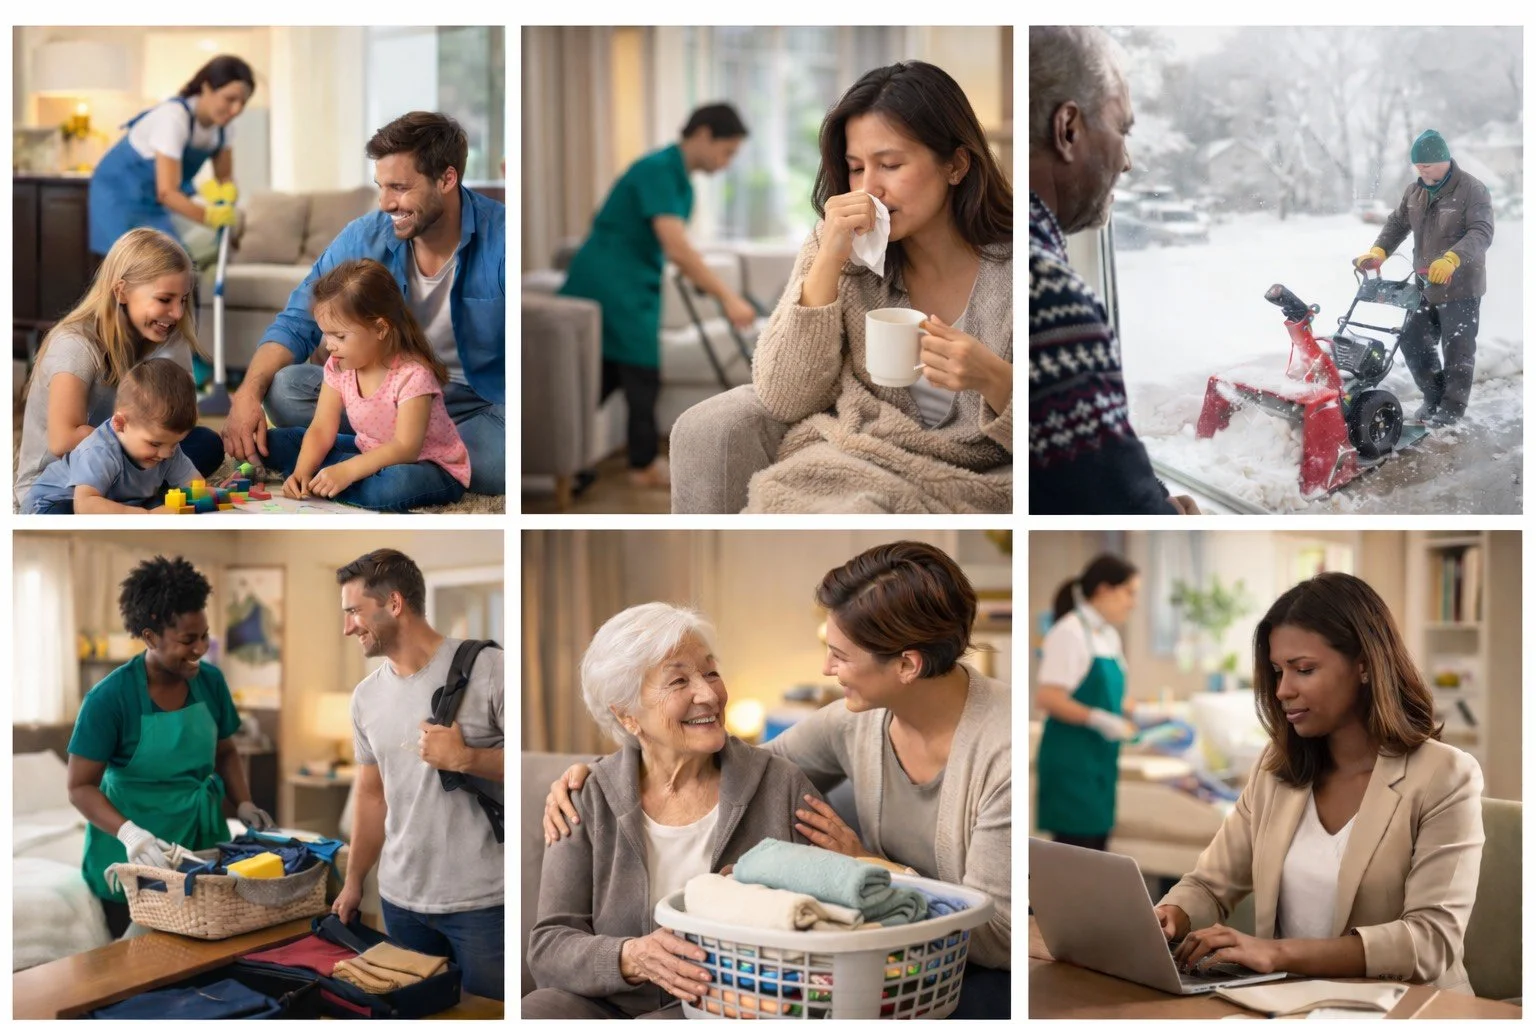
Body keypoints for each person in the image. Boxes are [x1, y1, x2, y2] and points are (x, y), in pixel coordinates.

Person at [545, 541, 1012, 1018]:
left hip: (961, 962)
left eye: (839, 654)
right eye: (680, 680)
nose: (826, 668)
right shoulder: (849, 723)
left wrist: (869, 866)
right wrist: (598, 774)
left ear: (907, 665)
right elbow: (741, 763)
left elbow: (998, 935)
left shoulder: (1002, 752)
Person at [675, 62, 1013, 513]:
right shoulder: (840, 248)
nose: (869, 188)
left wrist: (995, 379)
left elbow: (1065, 433)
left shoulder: (1022, 270)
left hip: (980, 481)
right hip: (860, 462)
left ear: (955, 165)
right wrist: (828, 261)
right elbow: (783, 397)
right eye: (855, 168)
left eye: (890, 165)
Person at [1155, 573, 1483, 993]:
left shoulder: (1446, 775)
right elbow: (1209, 885)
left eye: (1304, 669)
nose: (1282, 690)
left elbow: (1430, 940)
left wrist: (1277, 953)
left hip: (1406, 1008)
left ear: (1364, 665)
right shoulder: (1275, 769)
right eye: (1278, 671)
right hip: (1288, 1004)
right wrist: (1171, 915)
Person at [524, 603, 821, 1019]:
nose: (709, 694)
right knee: (538, 1009)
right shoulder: (587, 796)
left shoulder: (782, 785)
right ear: (627, 715)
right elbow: (549, 946)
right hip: (611, 1003)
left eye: (711, 672)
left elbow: (830, 909)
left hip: (731, 1005)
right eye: (679, 680)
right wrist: (631, 957)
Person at [222, 112, 504, 495]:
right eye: (380, 187)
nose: (385, 203)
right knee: (284, 388)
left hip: (476, 407)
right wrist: (246, 395)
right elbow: (296, 323)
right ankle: (392, 461)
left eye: (399, 187)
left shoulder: (503, 238)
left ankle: (384, 462)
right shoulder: (365, 236)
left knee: (506, 461)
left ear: (447, 179)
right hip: (382, 396)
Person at [1028, 27, 1194, 515]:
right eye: (1122, 130)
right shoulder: (1050, 297)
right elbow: (1121, 504)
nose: (1127, 161)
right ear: (1068, 130)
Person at [64, 556, 275, 939]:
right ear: (150, 637)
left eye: (204, 635)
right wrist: (130, 834)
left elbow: (225, 751)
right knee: (139, 966)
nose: (201, 648)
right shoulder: (109, 699)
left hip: (199, 845)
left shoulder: (210, 682)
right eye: (188, 640)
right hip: (134, 854)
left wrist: (243, 802)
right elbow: (79, 786)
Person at [330, 550, 504, 1000]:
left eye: (354, 611)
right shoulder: (365, 698)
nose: (347, 627)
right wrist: (354, 882)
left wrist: (467, 758)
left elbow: (532, 767)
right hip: (400, 902)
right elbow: (372, 796)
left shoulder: (491, 669)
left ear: (394, 603)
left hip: (484, 904)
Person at [560, 104, 757, 490]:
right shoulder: (658, 170)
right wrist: (727, 297)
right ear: (703, 134)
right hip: (611, 283)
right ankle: (642, 465)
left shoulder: (680, 181)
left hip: (634, 284)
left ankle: (568, 459)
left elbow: (671, 246)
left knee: (603, 378)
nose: (727, 163)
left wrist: (702, 279)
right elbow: (677, 247)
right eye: (727, 151)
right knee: (641, 372)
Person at [15, 227, 224, 511]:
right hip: (65, 482)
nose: (177, 313)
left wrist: (154, 443)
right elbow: (63, 440)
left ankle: (134, 494)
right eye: (165, 299)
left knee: (205, 443)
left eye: (183, 299)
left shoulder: (165, 335)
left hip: (130, 458)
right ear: (121, 291)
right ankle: (134, 500)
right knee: (66, 515)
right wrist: (130, 442)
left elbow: (177, 416)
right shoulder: (75, 345)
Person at [264, 260, 470, 512]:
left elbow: (406, 448)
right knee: (277, 441)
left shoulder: (413, 375)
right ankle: (328, 476)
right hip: (368, 450)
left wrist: (348, 470)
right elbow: (321, 428)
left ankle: (336, 477)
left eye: (340, 336)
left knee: (395, 485)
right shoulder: (338, 365)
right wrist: (301, 472)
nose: (329, 345)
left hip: (426, 465)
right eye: (326, 333)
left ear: (380, 328)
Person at [1353, 130, 1494, 425]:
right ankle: (1434, 396)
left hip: (1461, 285)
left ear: (1443, 160)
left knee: (1457, 350)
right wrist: (1379, 251)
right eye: (1417, 165)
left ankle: (1452, 408)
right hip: (1425, 285)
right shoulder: (1414, 192)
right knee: (1412, 340)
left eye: (1426, 165)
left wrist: (1452, 258)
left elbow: (1481, 232)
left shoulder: (1472, 190)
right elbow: (1397, 223)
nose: (1421, 170)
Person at [87, 55, 253, 265]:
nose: (236, 110)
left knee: (176, 264)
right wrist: (209, 217)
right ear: (207, 88)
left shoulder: (223, 129)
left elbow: (225, 178)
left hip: (154, 202)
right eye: (230, 99)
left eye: (243, 102)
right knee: (131, 267)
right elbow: (167, 192)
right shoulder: (173, 118)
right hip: (119, 196)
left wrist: (226, 200)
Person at [1034, 554, 1145, 852]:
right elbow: (1048, 697)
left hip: (1100, 762)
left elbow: (1112, 697)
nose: (1133, 603)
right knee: (1075, 854)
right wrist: (1098, 719)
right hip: (1073, 762)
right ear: (1104, 590)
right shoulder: (1069, 632)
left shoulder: (1109, 636)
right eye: (1129, 593)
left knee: (1098, 850)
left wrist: (1148, 715)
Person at [26, 359, 205, 514]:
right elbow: (85, 506)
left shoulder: (167, 449)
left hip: (116, 500)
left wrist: (213, 495)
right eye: (155, 444)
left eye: (174, 444)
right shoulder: (100, 450)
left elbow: (194, 485)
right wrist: (146, 516)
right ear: (120, 424)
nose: (166, 454)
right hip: (55, 502)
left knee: (166, 503)